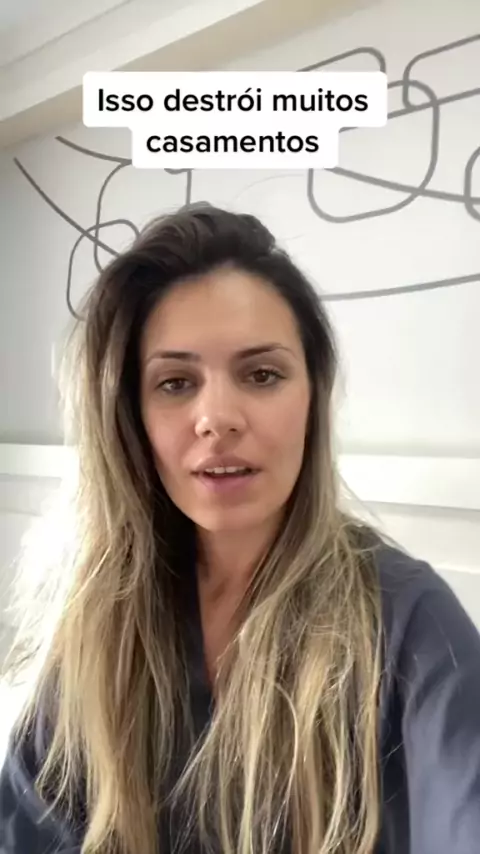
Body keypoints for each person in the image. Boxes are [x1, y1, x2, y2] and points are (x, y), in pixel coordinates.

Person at [0, 204, 479, 854]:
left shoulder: (412, 628)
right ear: (132, 419)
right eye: (175, 382)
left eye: (261, 375)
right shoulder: (91, 623)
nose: (217, 417)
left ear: (312, 395)